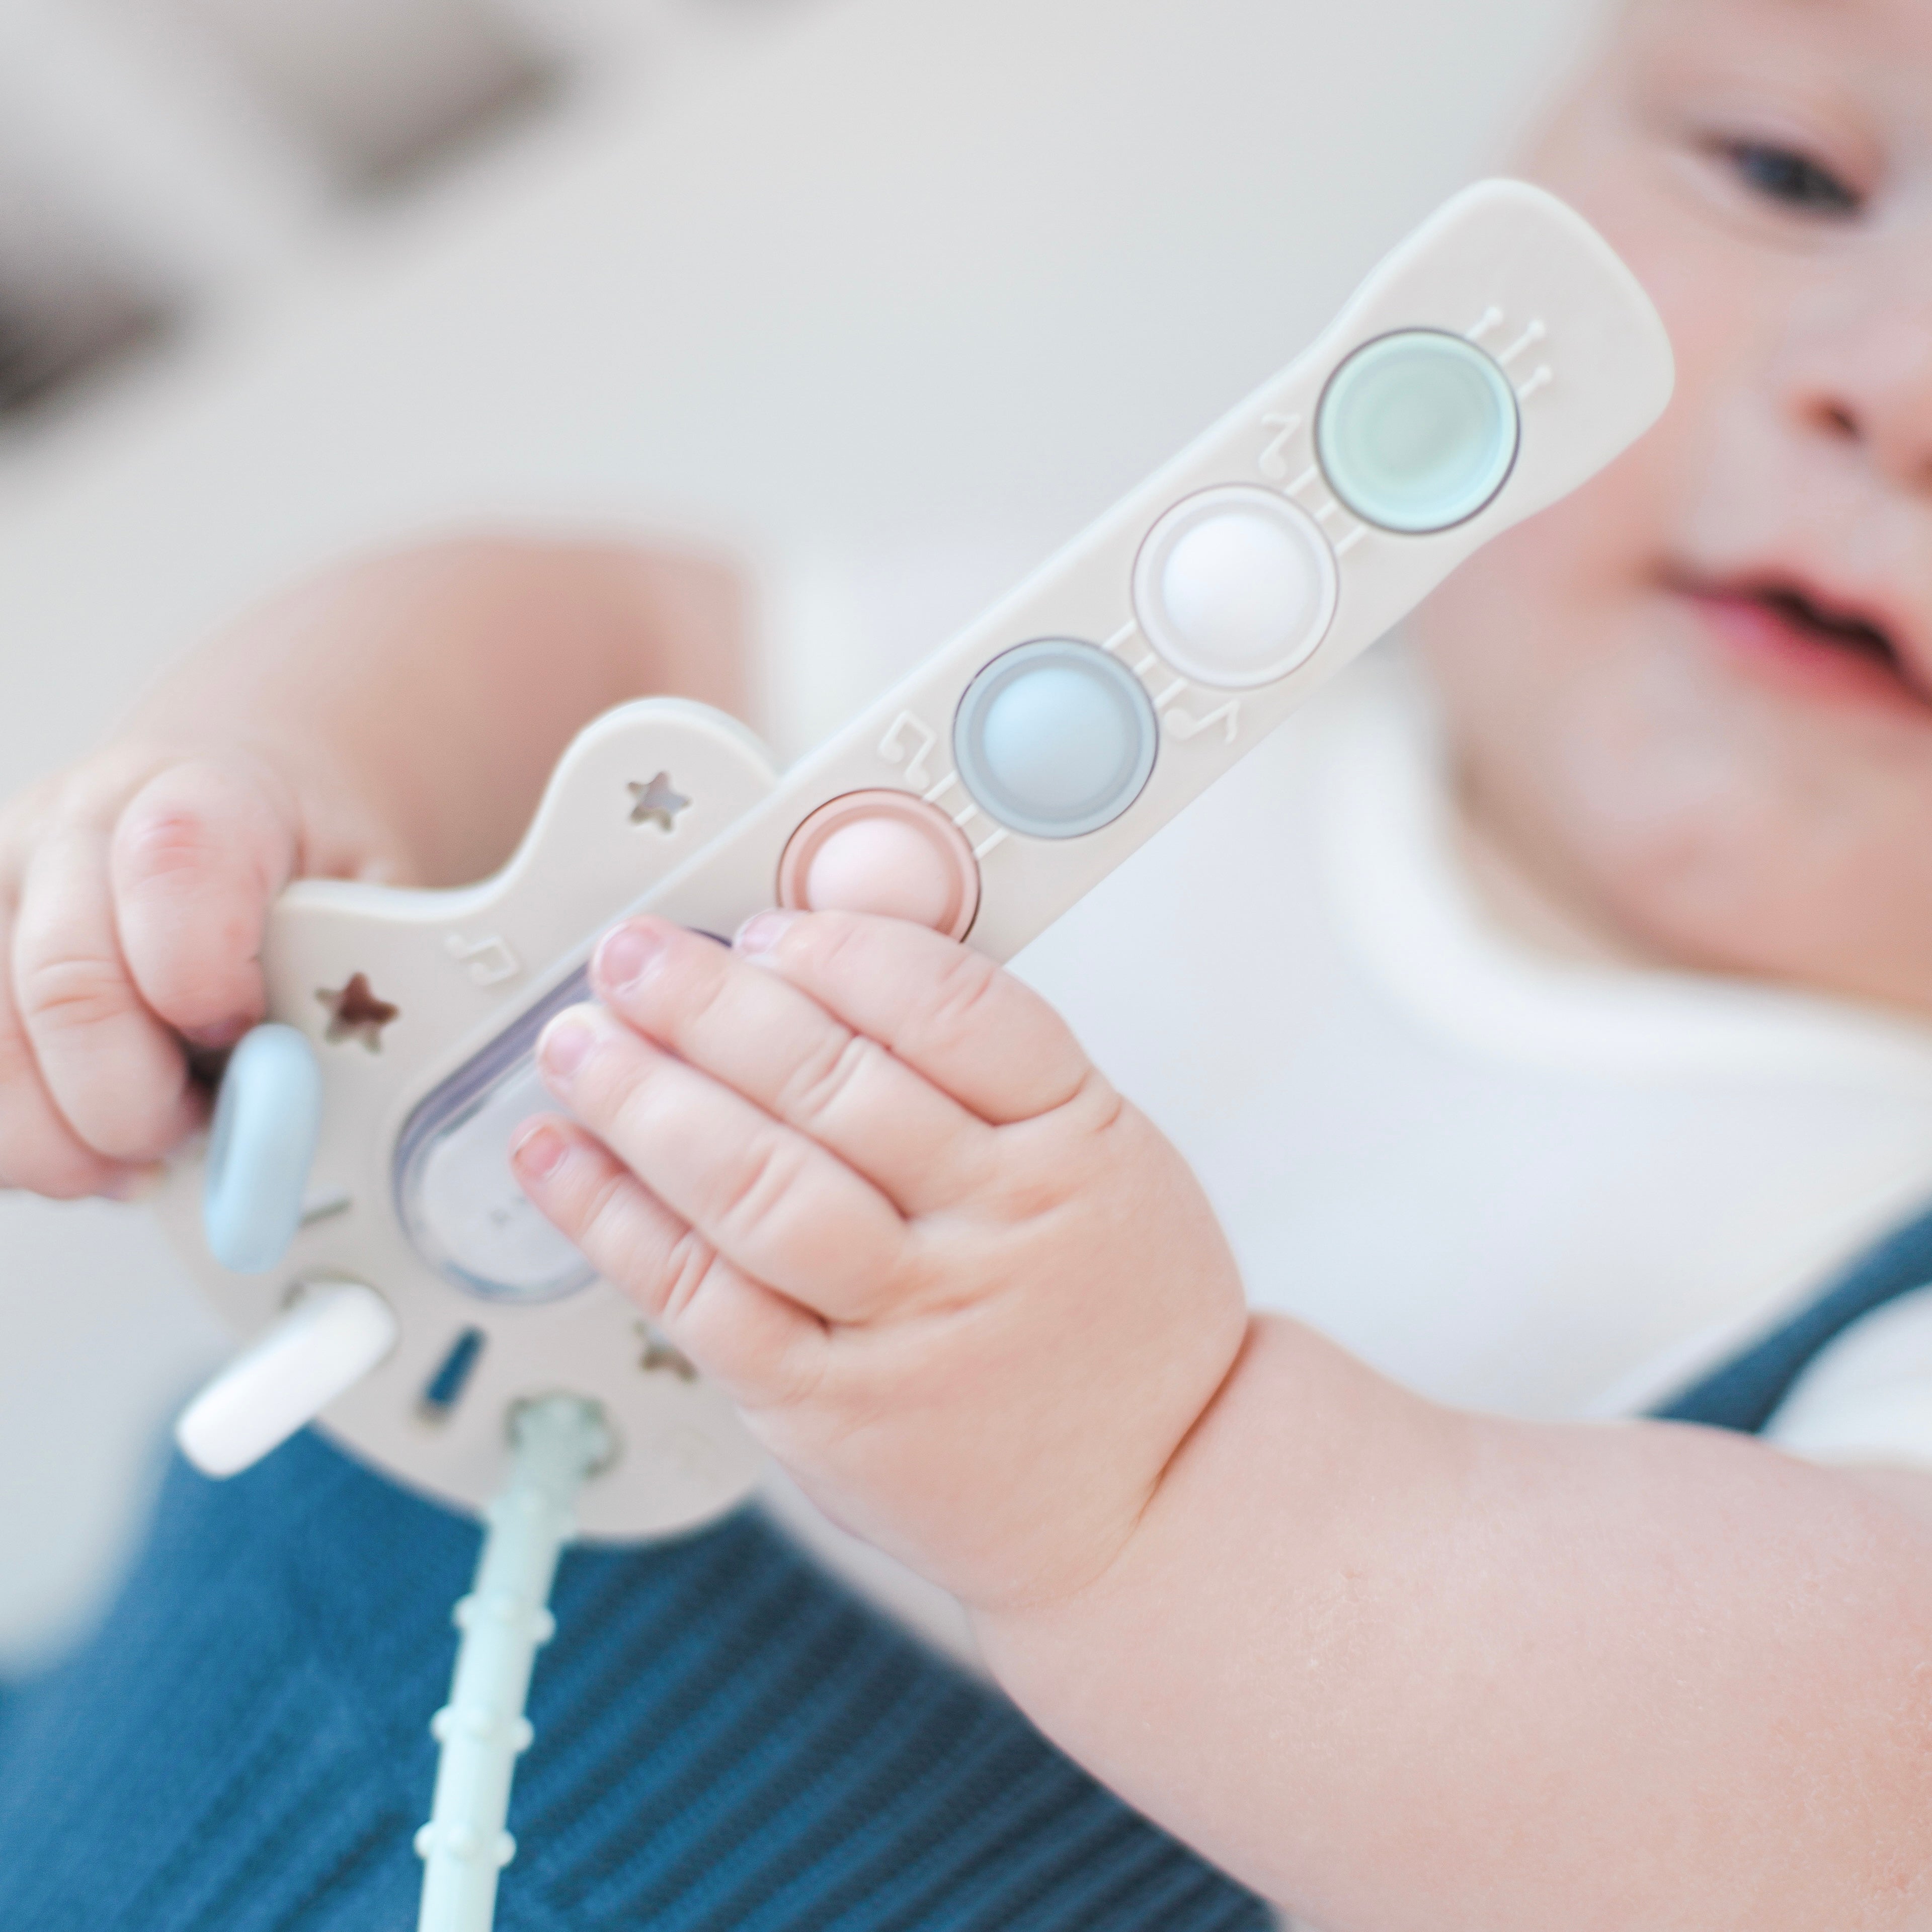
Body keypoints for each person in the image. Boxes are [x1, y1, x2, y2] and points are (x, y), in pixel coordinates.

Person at [6, 0, 1932, 1925]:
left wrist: (1152, 1480)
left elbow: (1826, 1826)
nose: (1899, 387)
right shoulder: (1098, 691)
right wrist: (249, 792)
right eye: (1788, 171)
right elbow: (586, 640)